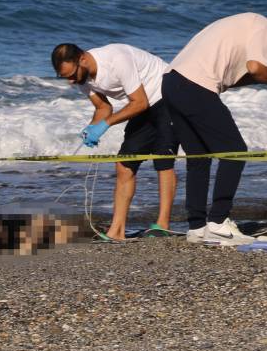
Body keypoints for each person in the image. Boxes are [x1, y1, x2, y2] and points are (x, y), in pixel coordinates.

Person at [161, 13, 267, 245]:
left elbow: (232, 79)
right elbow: (256, 67)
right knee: (235, 151)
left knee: (199, 157)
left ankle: (197, 227)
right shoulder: (264, 26)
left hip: (171, 82)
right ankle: (218, 222)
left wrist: (264, 78)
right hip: (195, 85)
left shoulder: (244, 26)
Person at [51, 42, 178, 241]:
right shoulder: (82, 78)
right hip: (142, 104)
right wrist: (92, 128)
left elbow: (140, 102)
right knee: (124, 164)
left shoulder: (116, 60)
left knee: (163, 160)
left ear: (82, 59)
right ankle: (117, 231)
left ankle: (162, 225)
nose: (71, 81)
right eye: (65, 77)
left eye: (72, 75)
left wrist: (106, 125)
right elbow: (103, 109)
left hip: (167, 94)